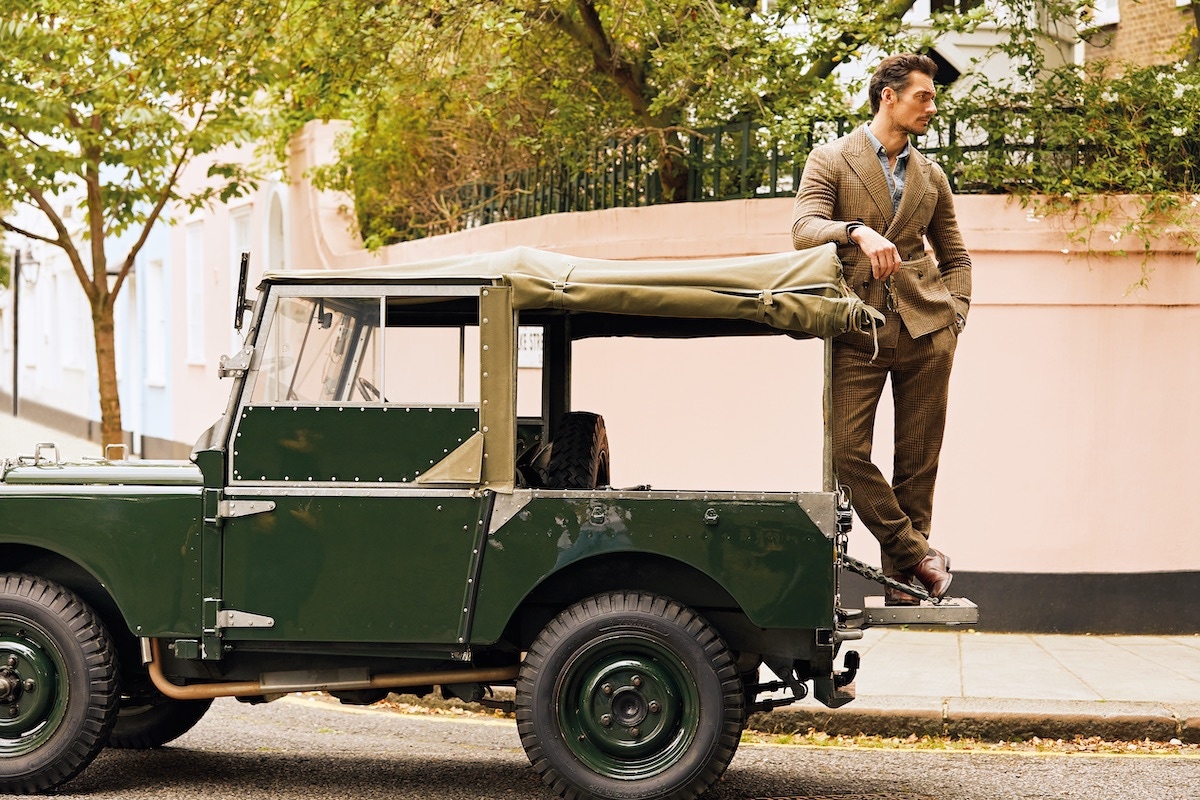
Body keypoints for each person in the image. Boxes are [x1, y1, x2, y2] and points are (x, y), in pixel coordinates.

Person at [791, 53, 971, 603]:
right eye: (924, 96)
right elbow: (803, 228)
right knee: (847, 450)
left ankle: (903, 585)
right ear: (888, 97)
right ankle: (915, 556)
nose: (932, 108)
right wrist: (856, 233)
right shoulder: (832, 160)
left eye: (934, 98)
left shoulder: (930, 175)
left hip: (926, 328)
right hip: (856, 326)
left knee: (919, 456)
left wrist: (955, 315)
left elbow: (956, 255)